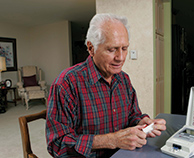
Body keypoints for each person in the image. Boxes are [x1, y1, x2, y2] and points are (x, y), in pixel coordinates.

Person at [46, 13, 166, 158]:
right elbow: (57, 145)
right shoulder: (66, 83)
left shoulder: (124, 79)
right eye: (112, 49)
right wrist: (112, 140)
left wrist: (143, 122)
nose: (120, 58)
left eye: (124, 48)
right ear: (91, 48)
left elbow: (132, 115)